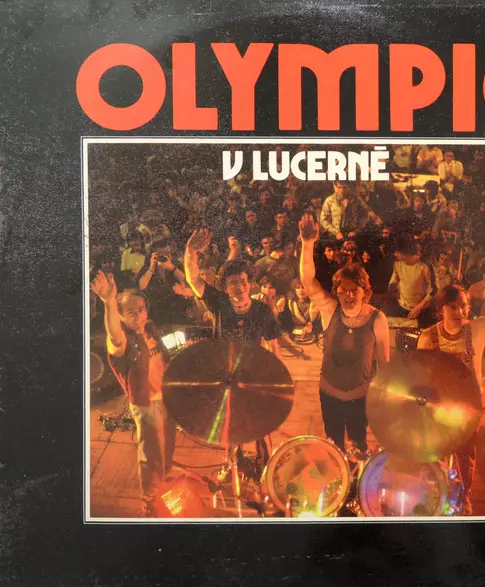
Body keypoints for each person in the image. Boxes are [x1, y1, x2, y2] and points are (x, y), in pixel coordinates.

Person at [417, 255, 485, 515]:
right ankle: (437, 495)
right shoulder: (427, 337)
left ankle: (464, 498)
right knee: (435, 455)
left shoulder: (478, 329)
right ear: (441, 310)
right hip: (440, 407)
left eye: (463, 306)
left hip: (469, 407)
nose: (459, 312)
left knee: (466, 457)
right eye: (452, 307)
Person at [184, 229, 282, 467]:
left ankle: (264, 462)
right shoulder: (218, 303)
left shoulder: (262, 311)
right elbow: (193, 279)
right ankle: (233, 463)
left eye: (242, 281)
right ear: (225, 287)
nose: (239, 286)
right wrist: (190, 253)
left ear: (250, 284)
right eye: (233, 283)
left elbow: (273, 346)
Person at [298, 214, 390, 452]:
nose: (348, 295)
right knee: (334, 446)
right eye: (343, 290)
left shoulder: (378, 319)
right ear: (336, 290)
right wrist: (307, 245)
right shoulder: (330, 310)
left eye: (354, 290)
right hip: (329, 394)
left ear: (365, 291)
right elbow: (308, 282)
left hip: (361, 397)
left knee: (359, 444)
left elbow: (384, 366)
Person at [90, 271, 176, 518]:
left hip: (167, 397)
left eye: (141, 310)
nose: (138, 316)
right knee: (150, 455)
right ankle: (149, 502)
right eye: (130, 312)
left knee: (167, 449)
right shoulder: (123, 340)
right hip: (146, 403)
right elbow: (114, 334)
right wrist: (108, 303)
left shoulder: (151, 329)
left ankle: (163, 486)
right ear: (121, 316)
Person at [384, 238, 436, 328]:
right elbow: (395, 279)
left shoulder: (425, 265)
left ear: (405, 252)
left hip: (420, 310)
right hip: (402, 307)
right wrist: (392, 289)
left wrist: (419, 307)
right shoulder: (397, 263)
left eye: (397, 252)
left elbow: (434, 289)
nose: (395, 254)